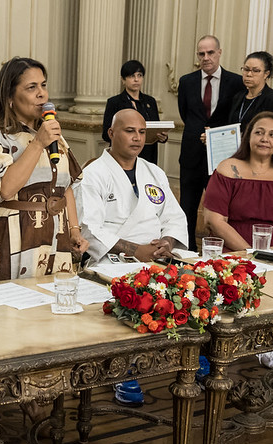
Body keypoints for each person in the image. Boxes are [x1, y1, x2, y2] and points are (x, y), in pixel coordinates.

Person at [0, 57, 89, 435]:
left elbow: (67, 185)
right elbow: (5, 188)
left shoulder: (51, 131)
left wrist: (74, 230)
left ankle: (40, 399)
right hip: (11, 233)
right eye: (31, 88)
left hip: (52, 236)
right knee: (0, 326)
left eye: (44, 86)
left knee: (48, 323)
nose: (42, 95)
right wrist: (37, 143)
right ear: (9, 96)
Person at [75, 109, 188, 406]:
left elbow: (174, 216)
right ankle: (123, 369)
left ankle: (189, 353)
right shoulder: (93, 174)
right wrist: (135, 250)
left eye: (141, 132)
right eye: (129, 131)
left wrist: (167, 242)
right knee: (128, 291)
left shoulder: (154, 172)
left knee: (193, 280)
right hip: (111, 259)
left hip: (156, 256)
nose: (137, 138)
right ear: (111, 134)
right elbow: (89, 228)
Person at [204, 111, 273, 370]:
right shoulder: (228, 168)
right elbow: (214, 219)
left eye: (272, 134)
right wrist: (250, 253)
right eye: (259, 132)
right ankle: (226, 346)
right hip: (235, 251)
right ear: (248, 136)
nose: (265, 138)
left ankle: (268, 344)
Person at [177, 35, 243, 251]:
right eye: (201, 54)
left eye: (210, 53)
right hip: (192, 154)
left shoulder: (236, 82)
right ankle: (187, 250)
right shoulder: (186, 81)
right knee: (187, 206)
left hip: (222, 155)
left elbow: (235, 118)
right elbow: (186, 114)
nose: (206, 58)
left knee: (222, 208)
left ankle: (220, 251)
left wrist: (215, 134)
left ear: (219, 52)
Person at [102, 60, 166, 165]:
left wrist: (162, 137)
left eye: (139, 75)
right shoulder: (114, 102)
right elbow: (106, 134)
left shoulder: (150, 101)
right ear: (123, 80)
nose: (136, 80)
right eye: (132, 76)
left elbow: (156, 126)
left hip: (148, 155)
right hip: (123, 155)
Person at [228, 51, 273, 132]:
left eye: (255, 71)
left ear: (266, 74)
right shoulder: (238, 97)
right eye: (246, 69)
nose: (249, 74)